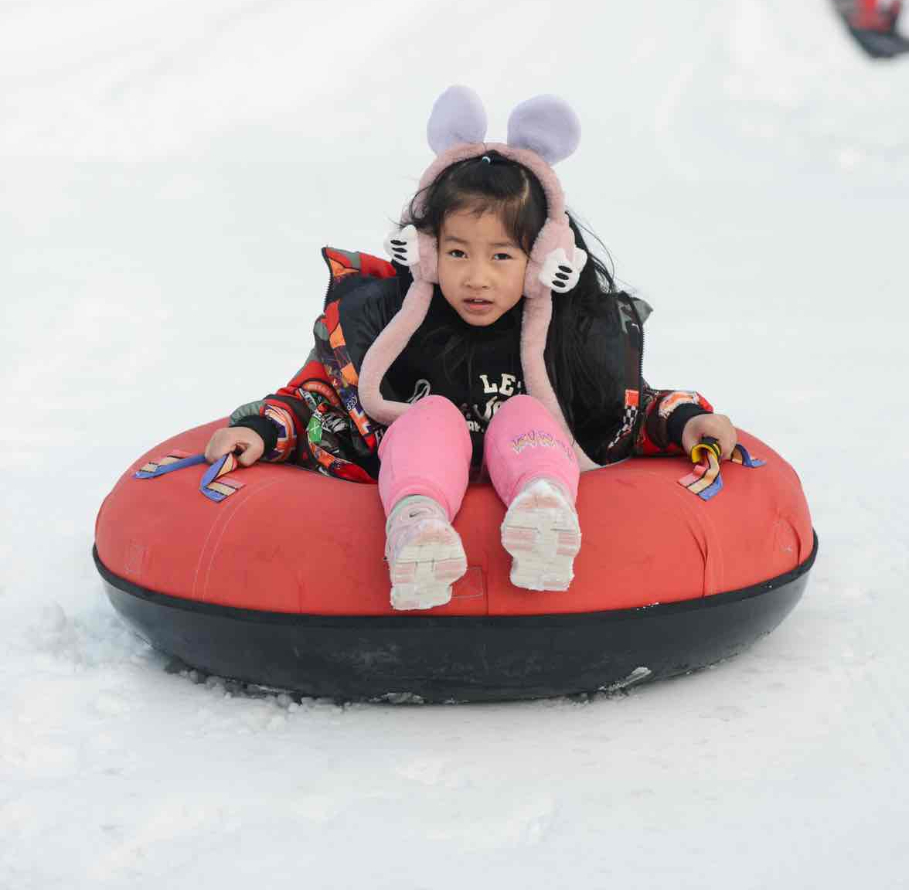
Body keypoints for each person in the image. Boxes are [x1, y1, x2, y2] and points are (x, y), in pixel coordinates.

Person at [204, 88, 737, 611]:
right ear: (427, 251)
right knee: (430, 415)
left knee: (524, 411)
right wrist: (261, 430)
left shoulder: (563, 334)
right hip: (416, 471)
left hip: (535, 462)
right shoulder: (396, 325)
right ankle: (417, 529)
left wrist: (687, 421)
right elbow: (319, 401)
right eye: (457, 252)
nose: (477, 277)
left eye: (502, 256)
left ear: (544, 261)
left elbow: (626, 408)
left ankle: (544, 513)